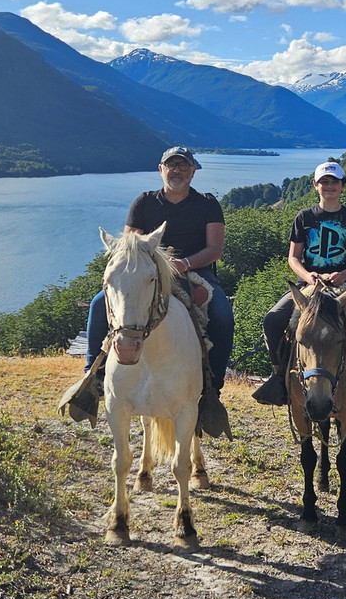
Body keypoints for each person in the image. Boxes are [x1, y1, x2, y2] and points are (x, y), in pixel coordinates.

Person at [78, 146, 235, 420]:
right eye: (171, 165)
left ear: (193, 171)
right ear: (161, 169)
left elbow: (215, 249)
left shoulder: (208, 204)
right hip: (149, 274)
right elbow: (128, 248)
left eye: (183, 166)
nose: (177, 171)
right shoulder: (144, 202)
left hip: (195, 273)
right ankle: (92, 377)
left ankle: (212, 390)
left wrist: (185, 264)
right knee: (98, 304)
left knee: (222, 316)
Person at [254, 161, 346, 411]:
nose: (329, 186)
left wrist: (342, 274)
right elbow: (293, 257)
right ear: (315, 185)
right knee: (272, 320)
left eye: (334, 182)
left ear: (343, 186)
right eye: (324, 182)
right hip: (309, 284)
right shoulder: (304, 217)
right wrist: (308, 276)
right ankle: (279, 376)